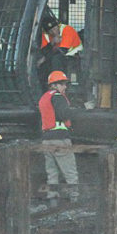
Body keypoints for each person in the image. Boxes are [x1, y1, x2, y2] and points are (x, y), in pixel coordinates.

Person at [38, 70, 79, 205]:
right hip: (60, 139)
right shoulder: (58, 97)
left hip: (46, 140)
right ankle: (75, 201)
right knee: (70, 172)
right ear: (55, 85)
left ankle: (53, 202)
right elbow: (64, 114)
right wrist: (79, 111)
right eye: (63, 84)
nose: (65, 87)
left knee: (52, 173)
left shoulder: (44, 98)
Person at [38, 14, 83, 88]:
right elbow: (44, 50)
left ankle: (58, 84)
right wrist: (52, 43)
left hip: (74, 57)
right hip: (58, 56)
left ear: (58, 25)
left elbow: (62, 51)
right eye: (51, 31)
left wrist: (44, 58)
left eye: (55, 28)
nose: (54, 31)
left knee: (57, 59)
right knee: (43, 65)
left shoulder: (67, 30)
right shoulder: (46, 35)